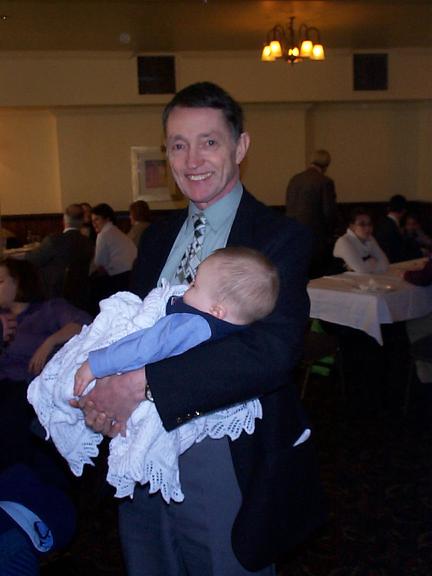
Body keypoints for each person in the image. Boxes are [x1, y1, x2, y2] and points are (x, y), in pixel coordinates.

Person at [74, 82, 326, 575]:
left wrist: (141, 384)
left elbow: (272, 352)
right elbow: (133, 326)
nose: (192, 160)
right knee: (148, 561)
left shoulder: (279, 236)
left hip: (222, 452)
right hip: (138, 446)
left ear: (240, 146)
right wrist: (103, 396)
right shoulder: (156, 237)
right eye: (178, 145)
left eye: (209, 142)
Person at [29, 247, 279, 503]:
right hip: (166, 395)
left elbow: (142, 347)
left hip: (148, 385)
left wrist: (96, 363)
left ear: (216, 310)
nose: (187, 288)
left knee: (70, 378)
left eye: (194, 285)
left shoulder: (189, 324)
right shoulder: (227, 328)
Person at [0, 258, 91, 473]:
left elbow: (84, 323)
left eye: (0, 281)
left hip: (26, 386)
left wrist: (50, 341)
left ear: (19, 283)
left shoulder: (48, 310)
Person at [25, 203, 94, 304]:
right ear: (82, 221)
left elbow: (32, 260)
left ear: (64, 219)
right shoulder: (88, 243)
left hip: (53, 293)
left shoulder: (53, 240)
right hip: (80, 294)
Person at [285, 149, 337, 277]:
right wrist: (332, 233)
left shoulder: (295, 179)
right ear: (326, 164)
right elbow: (329, 212)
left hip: (293, 235)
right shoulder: (325, 182)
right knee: (317, 276)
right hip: (316, 237)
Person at [89, 202, 137, 312]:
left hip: (119, 279)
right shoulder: (116, 231)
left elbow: (99, 262)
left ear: (107, 219)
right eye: (92, 221)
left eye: (97, 219)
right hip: (131, 275)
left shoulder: (104, 234)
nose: (94, 224)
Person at [333, 207, 389, 273]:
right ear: (352, 226)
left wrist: (366, 264)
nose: (367, 228)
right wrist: (372, 261)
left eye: (370, 224)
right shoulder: (344, 241)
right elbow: (362, 270)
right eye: (362, 224)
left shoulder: (370, 238)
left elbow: (385, 265)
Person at [375, 194, 422, 263]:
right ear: (403, 210)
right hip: (391, 261)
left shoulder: (382, 222)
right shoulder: (392, 227)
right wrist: (420, 252)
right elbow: (398, 252)